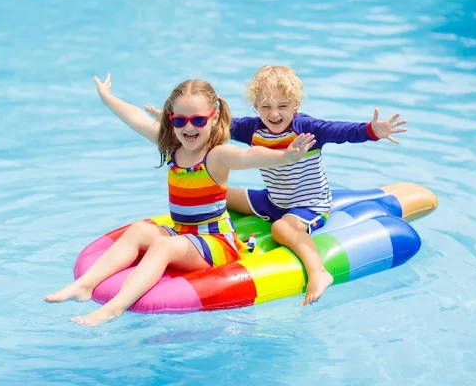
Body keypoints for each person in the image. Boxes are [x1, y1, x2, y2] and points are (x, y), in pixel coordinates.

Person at [44, 74, 316, 326]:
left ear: (214, 117)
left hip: (215, 243)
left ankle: (113, 308)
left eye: (198, 120)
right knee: (139, 229)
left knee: (164, 246)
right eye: (180, 120)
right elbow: (137, 119)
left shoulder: (217, 155)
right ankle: (86, 285)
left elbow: (250, 156)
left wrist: (285, 157)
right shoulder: (173, 148)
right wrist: (108, 98)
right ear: (171, 119)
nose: (189, 128)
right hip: (183, 233)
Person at [145, 65, 407, 306]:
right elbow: (212, 125)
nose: (274, 113)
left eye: (283, 105)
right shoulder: (252, 130)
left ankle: (318, 272)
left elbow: (340, 131)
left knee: (282, 228)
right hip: (273, 200)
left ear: (296, 104)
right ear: (255, 105)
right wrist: (177, 121)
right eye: (266, 106)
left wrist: (371, 131)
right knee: (218, 194)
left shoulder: (307, 128)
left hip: (309, 204)